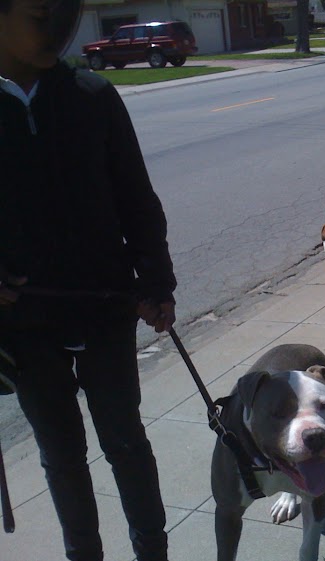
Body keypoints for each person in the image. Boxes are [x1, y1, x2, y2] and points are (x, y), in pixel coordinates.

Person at [0, 1, 177, 560]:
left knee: (126, 443)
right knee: (61, 455)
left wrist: (158, 282)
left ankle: (153, 552)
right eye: (36, 17)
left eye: (61, 18)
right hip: (24, 325)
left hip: (106, 306)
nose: (53, 31)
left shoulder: (92, 95)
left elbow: (137, 199)